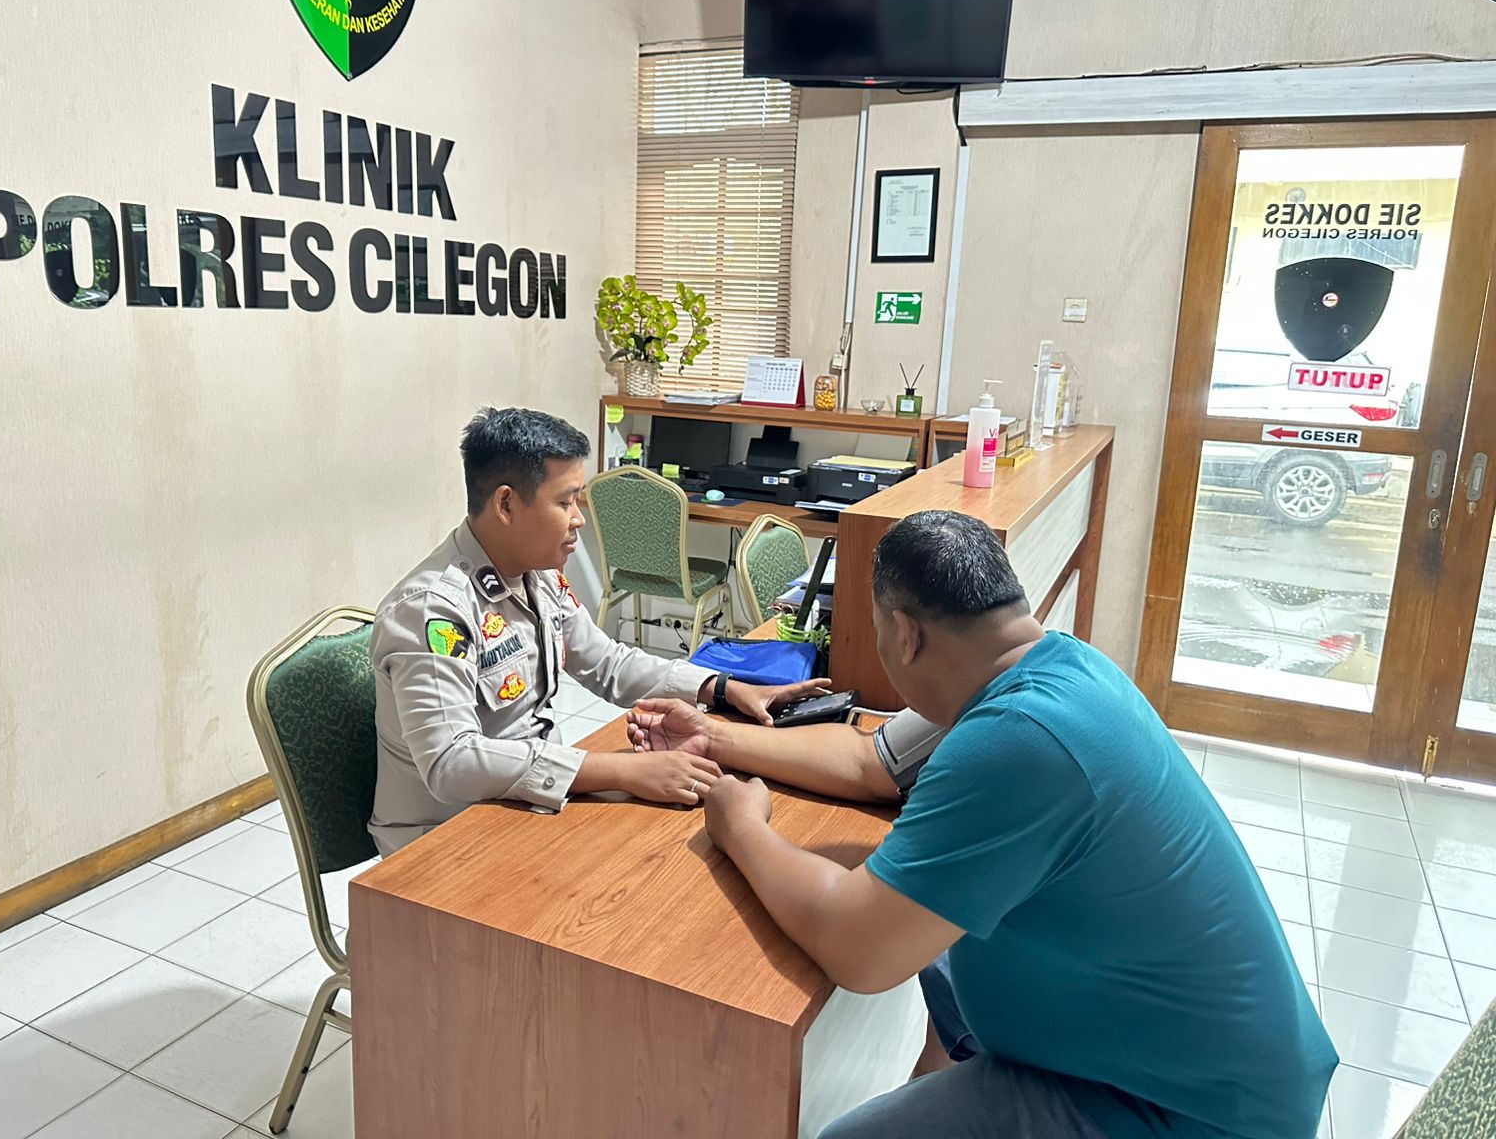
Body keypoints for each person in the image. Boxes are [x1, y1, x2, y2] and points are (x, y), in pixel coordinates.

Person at [642, 510, 1336, 1138]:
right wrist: (714, 737)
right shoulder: (1053, 666)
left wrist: (740, 825)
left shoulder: (1018, 739)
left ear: (905, 634)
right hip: (1195, 1065)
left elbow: (860, 950)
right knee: (944, 957)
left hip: (1182, 1111)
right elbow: (868, 764)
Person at [367, 406, 828, 856]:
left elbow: (607, 663)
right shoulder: (433, 610)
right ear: (506, 504)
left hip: (524, 805)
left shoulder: (536, 574)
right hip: (442, 842)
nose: (579, 518)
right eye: (565, 501)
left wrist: (721, 687)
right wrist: (623, 772)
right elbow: (451, 762)